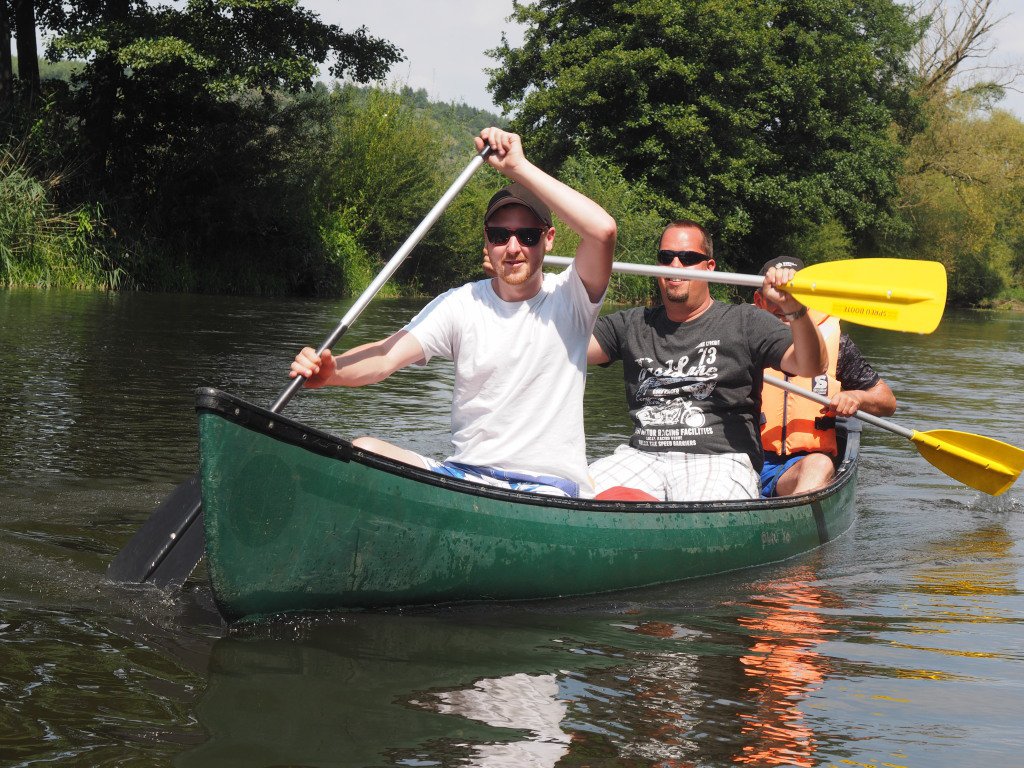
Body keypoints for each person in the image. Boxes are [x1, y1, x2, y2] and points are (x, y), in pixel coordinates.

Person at [290, 127, 616, 498]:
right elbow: (384, 356)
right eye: (499, 236)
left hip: (547, 488)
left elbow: (603, 231)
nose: (512, 248)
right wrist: (332, 372)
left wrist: (518, 167)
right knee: (364, 449)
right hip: (465, 476)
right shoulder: (461, 304)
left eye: (527, 236)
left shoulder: (572, 297)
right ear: (487, 240)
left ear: (549, 238)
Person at [584, 220, 828, 502]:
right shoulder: (631, 324)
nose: (675, 265)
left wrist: (795, 309)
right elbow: (564, 348)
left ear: (710, 266)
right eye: (666, 257)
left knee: (700, 512)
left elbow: (812, 365)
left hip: (719, 460)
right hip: (642, 456)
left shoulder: (746, 322)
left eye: (688, 258)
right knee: (575, 495)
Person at [754, 256, 896, 497]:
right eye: (777, 294)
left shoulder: (835, 343)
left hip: (802, 466)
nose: (784, 302)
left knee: (819, 464)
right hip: (746, 457)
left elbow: (887, 401)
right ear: (759, 300)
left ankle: (795, 516)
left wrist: (856, 397)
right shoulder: (740, 335)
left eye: (794, 293)